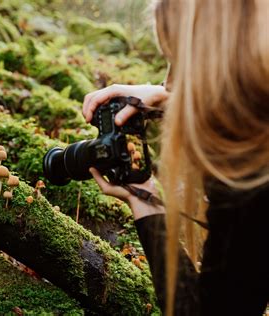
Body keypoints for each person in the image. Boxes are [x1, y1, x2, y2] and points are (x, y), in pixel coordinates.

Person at [82, 0, 269, 315]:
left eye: (179, 60)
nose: (168, 81)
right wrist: (166, 95)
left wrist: (146, 203)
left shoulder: (248, 178)